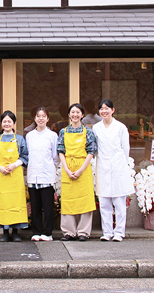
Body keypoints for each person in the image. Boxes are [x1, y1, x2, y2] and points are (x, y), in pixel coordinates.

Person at [92, 99, 135, 242]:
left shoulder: (120, 127)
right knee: (104, 202)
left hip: (118, 167)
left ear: (113, 110)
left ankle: (119, 232)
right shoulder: (96, 128)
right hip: (102, 166)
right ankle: (107, 232)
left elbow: (125, 148)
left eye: (107, 108)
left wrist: (122, 164)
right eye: (101, 109)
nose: (104, 111)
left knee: (119, 202)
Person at [0, 110, 29, 242]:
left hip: (15, 177)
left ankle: (16, 232)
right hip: (1, 176)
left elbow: (24, 156)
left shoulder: (19, 139)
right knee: (3, 204)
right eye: (4, 121)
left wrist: (14, 165)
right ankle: (5, 231)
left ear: (13, 123)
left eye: (9, 121)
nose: (7, 123)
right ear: (1, 123)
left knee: (16, 203)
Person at [58, 103, 97, 241]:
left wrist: (81, 170)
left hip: (83, 167)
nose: (75, 115)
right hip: (68, 167)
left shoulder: (88, 131)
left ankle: (83, 232)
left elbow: (91, 152)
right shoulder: (63, 132)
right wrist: (67, 170)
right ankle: (69, 232)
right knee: (68, 200)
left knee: (84, 200)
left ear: (82, 115)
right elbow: (60, 151)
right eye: (72, 112)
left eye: (78, 112)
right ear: (69, 115)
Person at [25, 106, 59, 242]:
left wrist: (50, 168)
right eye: (38, 116)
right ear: (34, 118)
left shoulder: (52, 135)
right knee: (35, 205)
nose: (41, 118)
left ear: (48, 119)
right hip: (33, 175)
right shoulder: (29, 136)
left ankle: (47, 233)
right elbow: (28, 154)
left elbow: (55, 157)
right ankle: (36, 231)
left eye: (43, 116)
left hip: (47, 175)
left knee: (48, 206)